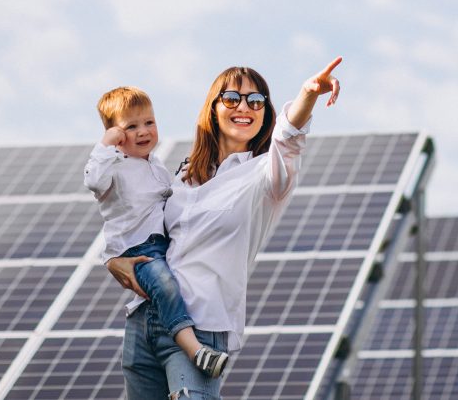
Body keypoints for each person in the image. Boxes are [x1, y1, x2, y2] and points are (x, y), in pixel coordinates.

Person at [107, 57, 342, 400]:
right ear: (214, 108)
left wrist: (308, 94)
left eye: (256, 101)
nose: (244, 107)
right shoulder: (182, 175)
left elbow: (289, 139)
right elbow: (141, 228)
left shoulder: (266, 177)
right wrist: (114, 261)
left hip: (202, 325)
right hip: (146, 319)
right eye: (232, 98)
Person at [84, 86, 230, 378]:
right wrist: (105, 146)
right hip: (136, 251)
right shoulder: (113, 166)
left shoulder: (157, 165)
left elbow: (171, 198)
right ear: (115, 134)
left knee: (175, 283)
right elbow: (94, 182)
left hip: (160, 246)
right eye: (131, 126)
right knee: (165, 285)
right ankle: (195, 350)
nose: (143, 132)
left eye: (149, 122)